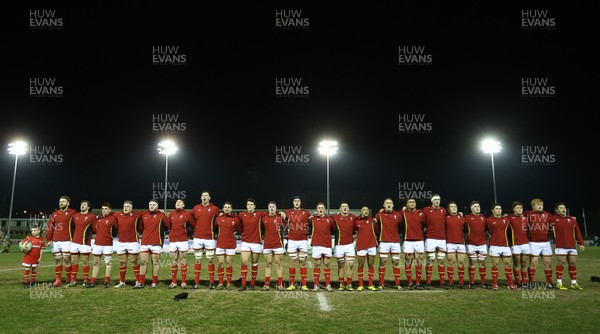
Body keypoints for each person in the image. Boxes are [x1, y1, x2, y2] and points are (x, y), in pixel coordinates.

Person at [135, 199, 170, 288]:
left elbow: (168, 226)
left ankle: (154, 282)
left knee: (155, 263)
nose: (151, 206)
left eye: (154, 204)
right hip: (145, 242)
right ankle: (141, 282)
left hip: (156, 243)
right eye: (150, 204)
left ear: (157, 206)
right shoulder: (144, 215)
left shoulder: (161, 215)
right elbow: (141, 228)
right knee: (143, 262)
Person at [191, 191, 221, 289]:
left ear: (209, 198)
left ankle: (211, 282)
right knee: (198, 260)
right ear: (201, 197)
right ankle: (196, 283)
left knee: (210, 260)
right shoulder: (196, 208)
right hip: (198, 237)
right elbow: (192, 220)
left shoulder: (215, 209)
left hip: (210, 238)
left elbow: (218, 222)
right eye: (203, 195)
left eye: (206, 196)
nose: (204, 197)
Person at [552, 203, 585, 290]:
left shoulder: (572, 220)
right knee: (561, 264)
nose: (563, 209)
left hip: (572, 246)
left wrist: (581, 243)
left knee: (573, 263)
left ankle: (573, 283)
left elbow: (577, 231)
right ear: (557, 210)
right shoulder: (553, 219)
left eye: (564, 207)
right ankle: (559, 283)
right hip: (560, 246)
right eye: (561, 208)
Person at [46, 195, 77, 287]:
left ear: (68, 203)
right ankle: (58, 280)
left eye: (63, 201)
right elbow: (50, 227)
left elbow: (78, 225)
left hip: (67, 240)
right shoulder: (54, 214)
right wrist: (48, 238)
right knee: (57, 259)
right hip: (56, 241)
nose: (61, 203)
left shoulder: (73, 213)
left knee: (67, 259)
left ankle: (68, 279)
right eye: (60, 201)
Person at [374, 197, 403, 291]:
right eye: (387, 203)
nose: (389, 204)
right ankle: (381, 284)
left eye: (390, 203)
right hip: (384, 242)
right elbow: (374, 225)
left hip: (395, 242)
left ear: (393, 205)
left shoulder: (398, 215)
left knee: (396, 262)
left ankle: (397, 284)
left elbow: (401, 226)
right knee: (383, 261)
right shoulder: (379, 215)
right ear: (383, 205)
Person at [238, 198, 267, 291]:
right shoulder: (242, 215)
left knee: (254, 263)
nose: (249, 206)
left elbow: (271, 214)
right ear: (246, 206)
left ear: (254, 206)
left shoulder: (260, 214)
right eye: (248, 204)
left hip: (256, 242)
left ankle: (253, 283)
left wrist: (280, 213)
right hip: (245, 242)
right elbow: (235, 221)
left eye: (251, 204)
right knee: (244, 261)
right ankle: (243, 284)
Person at [525, 198, 554, 288]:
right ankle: (531, 282)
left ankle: (548, 282)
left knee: (548, 263)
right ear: (533, 206)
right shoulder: (527, 214)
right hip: (533, 242)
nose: (540, 206)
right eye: (538, 204)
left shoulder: (547, 214)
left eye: (541, 204)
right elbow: (515, 216)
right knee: (533, 263)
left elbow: (556, 220)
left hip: (546, 243)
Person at [486, 204, 516, 290]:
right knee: (495, 265)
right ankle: (495, 284)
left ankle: (510, 284)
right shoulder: (488, 220)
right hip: (494, 246)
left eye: (500, 209)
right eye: (497, 209)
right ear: (493, 210)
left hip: (505, 245)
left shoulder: (506, 220)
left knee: (508, 264)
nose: (499, 210)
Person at [113, 200, 143, 288]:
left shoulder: (136, 214)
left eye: (127, 206)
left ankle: (138, 281)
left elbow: (146, 213)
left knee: (134, 262)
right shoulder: (118, 214)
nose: (125, 208)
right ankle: (122, 281)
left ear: (131, 208)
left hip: (133, 242)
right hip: (121, 242)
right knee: (122, 263)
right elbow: (109, 214)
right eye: (124, 206)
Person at [284, 195, 311, 291]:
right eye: (295, 201)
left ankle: (304, 284)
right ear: (293, 202)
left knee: (303, 262)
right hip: (291, 240)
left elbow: (311, 222)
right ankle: (292, 284)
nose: (297, 202)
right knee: (292, 262)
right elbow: (282, 220)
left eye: (298, 201)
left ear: (300, 202)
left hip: (303, 240)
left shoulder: (306, 213)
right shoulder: (287, 212)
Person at [168, 199, 196, 289]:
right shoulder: (171, 214)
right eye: (176, 202)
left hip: (183, 239)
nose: (178, 203)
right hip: (173, 239)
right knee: (174, 260)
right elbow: (169, 226)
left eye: (180, 202)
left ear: (183, 205)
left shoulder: (187, 214)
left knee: (183, 260)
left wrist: (189, 233)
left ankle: (183, 282)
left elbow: (194, 224)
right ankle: (174, 282)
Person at [68, 200, 97, 287]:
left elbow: (95, 229)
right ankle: (73, 280)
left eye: (84, 205)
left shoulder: (91, 216)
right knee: (74, 261)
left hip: (85, 243)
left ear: (88, 207)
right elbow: (72, 228)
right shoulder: (75, 216)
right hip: (74, 242)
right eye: (81, 204)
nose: (82, 206)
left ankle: (85, 280)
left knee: (85, 261)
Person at [214, 202, 241, 290]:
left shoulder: (236, 219)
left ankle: (228, 283)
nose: (227, 208)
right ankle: (220, 283)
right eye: (225, 207)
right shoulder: (218, 218)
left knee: (229, 264)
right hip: (220, 244)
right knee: (221, 264)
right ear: (223, 208)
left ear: (231, 209)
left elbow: (240, 229)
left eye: (229, 207)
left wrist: (235, 232)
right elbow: (214, 228)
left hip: (230, 244)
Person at [423, 194, 447, 288]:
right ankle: (428, 282)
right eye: (435, 199)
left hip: (441, 239)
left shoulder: (443, 210)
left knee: (441, 260)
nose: (437, 201)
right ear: (432, 201)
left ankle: (442, 282)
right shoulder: (426, 210)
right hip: (430, 238)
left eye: (438, 199)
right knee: (430, 260)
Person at [332, 201, 358, 291]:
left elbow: (361, 222)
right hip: (339, 245)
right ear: (340, 209)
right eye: (343, 206)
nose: (344, 207)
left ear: (348, 209)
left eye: (346, 206)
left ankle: (349, 284)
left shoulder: (353, 217)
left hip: (350, 245)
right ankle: (341, 283)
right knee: (341, 265)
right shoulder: (335, 217)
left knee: (350, 265)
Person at [89, 203, 117, 288]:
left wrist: (112, 235)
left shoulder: (112, 219)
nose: (104, 210)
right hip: (97, 244)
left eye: (105, 209)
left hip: (108, 244)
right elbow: (94, 229)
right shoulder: (98, 219)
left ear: (109, 210)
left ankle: (106, 281)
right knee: (96, 263)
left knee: (108, 263)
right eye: (103, 209)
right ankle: (93, 281)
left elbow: (115, 230)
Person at [309, 202, 334, 292]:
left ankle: (328, 284)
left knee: (327, 265)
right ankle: (316, 285)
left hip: (327, 245)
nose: (320, 209)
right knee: (317, 265)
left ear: (324, 209)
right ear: (317, 209)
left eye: (322, 208)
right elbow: (305, 223)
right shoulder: (313, 219)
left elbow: (333, 229)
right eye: (319, 208)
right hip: (316, 244)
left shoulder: (329, 219)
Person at [261, 201, 286, 291]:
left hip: (278, 244)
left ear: (276, 208)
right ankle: (267, 284)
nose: (271, 208)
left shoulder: (280, 217)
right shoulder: (263, 218)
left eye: (273, 207)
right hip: (267, 245)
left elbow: (287, 224)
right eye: (270, 207)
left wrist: (280, 213)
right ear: (268, 208)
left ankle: (280, 284)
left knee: (278, 264)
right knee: (268, 264)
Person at [402, 198, 426, 290]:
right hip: (408, 240)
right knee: (408, 261)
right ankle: (410, 283)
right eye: (410, 202)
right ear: (406, 204)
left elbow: (424, 225)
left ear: (415, 204)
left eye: (413, 202)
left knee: (419, 261)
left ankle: (418, 283)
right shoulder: (403, 213)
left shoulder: (421, 213)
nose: (412, 204)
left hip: (419, 240)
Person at [465, 201, 490, 289]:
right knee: (472, 262)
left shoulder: (483, 218)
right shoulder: (467, 218)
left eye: (478, 206)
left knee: (482, 263)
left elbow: (488, 229)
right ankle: (471, 283)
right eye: (475, 206)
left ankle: (483, 282)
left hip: (482, 244)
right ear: (471, 208)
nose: (477, 208)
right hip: (471, 244)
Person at [354, 206, 379, 291]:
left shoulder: (372, 221)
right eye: (364, 210)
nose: (366, 211)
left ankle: (370, 284)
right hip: (361, 246)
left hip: (371, 245)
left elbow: (376, 230)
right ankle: (360, 285)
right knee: (361, 265)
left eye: (367, 210)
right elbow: (353, 231)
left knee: (371, 265)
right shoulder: (356, 221)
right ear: (361, 212)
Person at [508, 201, 530, 290]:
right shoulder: (509, 217)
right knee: (516, 263)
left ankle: (524, 282)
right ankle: (517, 281)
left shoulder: (526, 218)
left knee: (524, 263)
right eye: (517, 208)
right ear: (513, 209)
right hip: (515, 244)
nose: (520, 209)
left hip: (525, 244)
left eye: (521, 208)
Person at [445, 201, 467, 289]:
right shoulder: (446, 218)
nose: (454, 208)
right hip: (450, 243)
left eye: (455, 206)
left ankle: (461, 283)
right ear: (448, 209)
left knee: (461, 263)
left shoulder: (462, 218)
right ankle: (451, 283)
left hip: (461, 243)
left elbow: (465, 229)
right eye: (452, 206)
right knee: (451, 263)